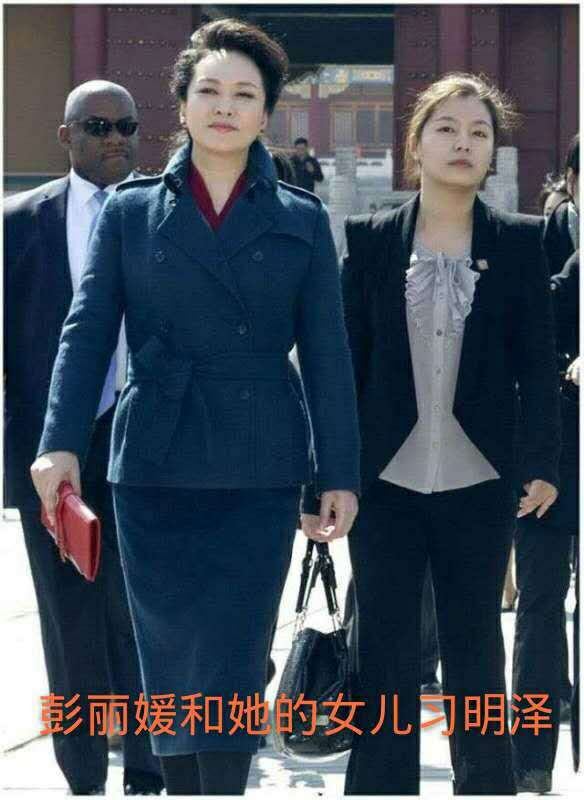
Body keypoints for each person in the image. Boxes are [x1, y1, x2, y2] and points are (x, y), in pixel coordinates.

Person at [30, 19, 360, 796]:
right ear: (181, 106)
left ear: (265, 113)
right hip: (154, 461)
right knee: (169, 659)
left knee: (237, 658)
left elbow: (328, 353)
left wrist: (337, 472)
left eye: (244, 94)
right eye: (209, 90)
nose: (225, 106)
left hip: (259, 464)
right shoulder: (131, 211)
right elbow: (87, 332)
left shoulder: (301, 218)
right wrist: (60, 442)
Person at [305, 72, 561, 795]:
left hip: (480, 478)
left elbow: (538, 364)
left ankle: (486, 785)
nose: (463, 143)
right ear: (416, 144)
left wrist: (542, 463)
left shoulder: (521, 241)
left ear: (492, 152)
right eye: (446, 128)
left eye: (479, 132)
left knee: (476, 646)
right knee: (383, 649)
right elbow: (343, 368)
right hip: (384, 480)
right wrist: (325, 478)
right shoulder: (371, 240)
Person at [3, 81, 163, 795]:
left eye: (127, 125)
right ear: (65, 135)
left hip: (147, 449)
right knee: (69, 626)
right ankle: (83, 775)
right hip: (52, 459)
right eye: (98, 126)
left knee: (145, 616)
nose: (116, 138)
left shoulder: (162, 216)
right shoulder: (16, 224)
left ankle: (150, 769)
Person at [511, 134, 579, 793]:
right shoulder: (553, 260)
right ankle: (529, 762)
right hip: (550, 465)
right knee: (538, 606)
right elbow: (521, 354)